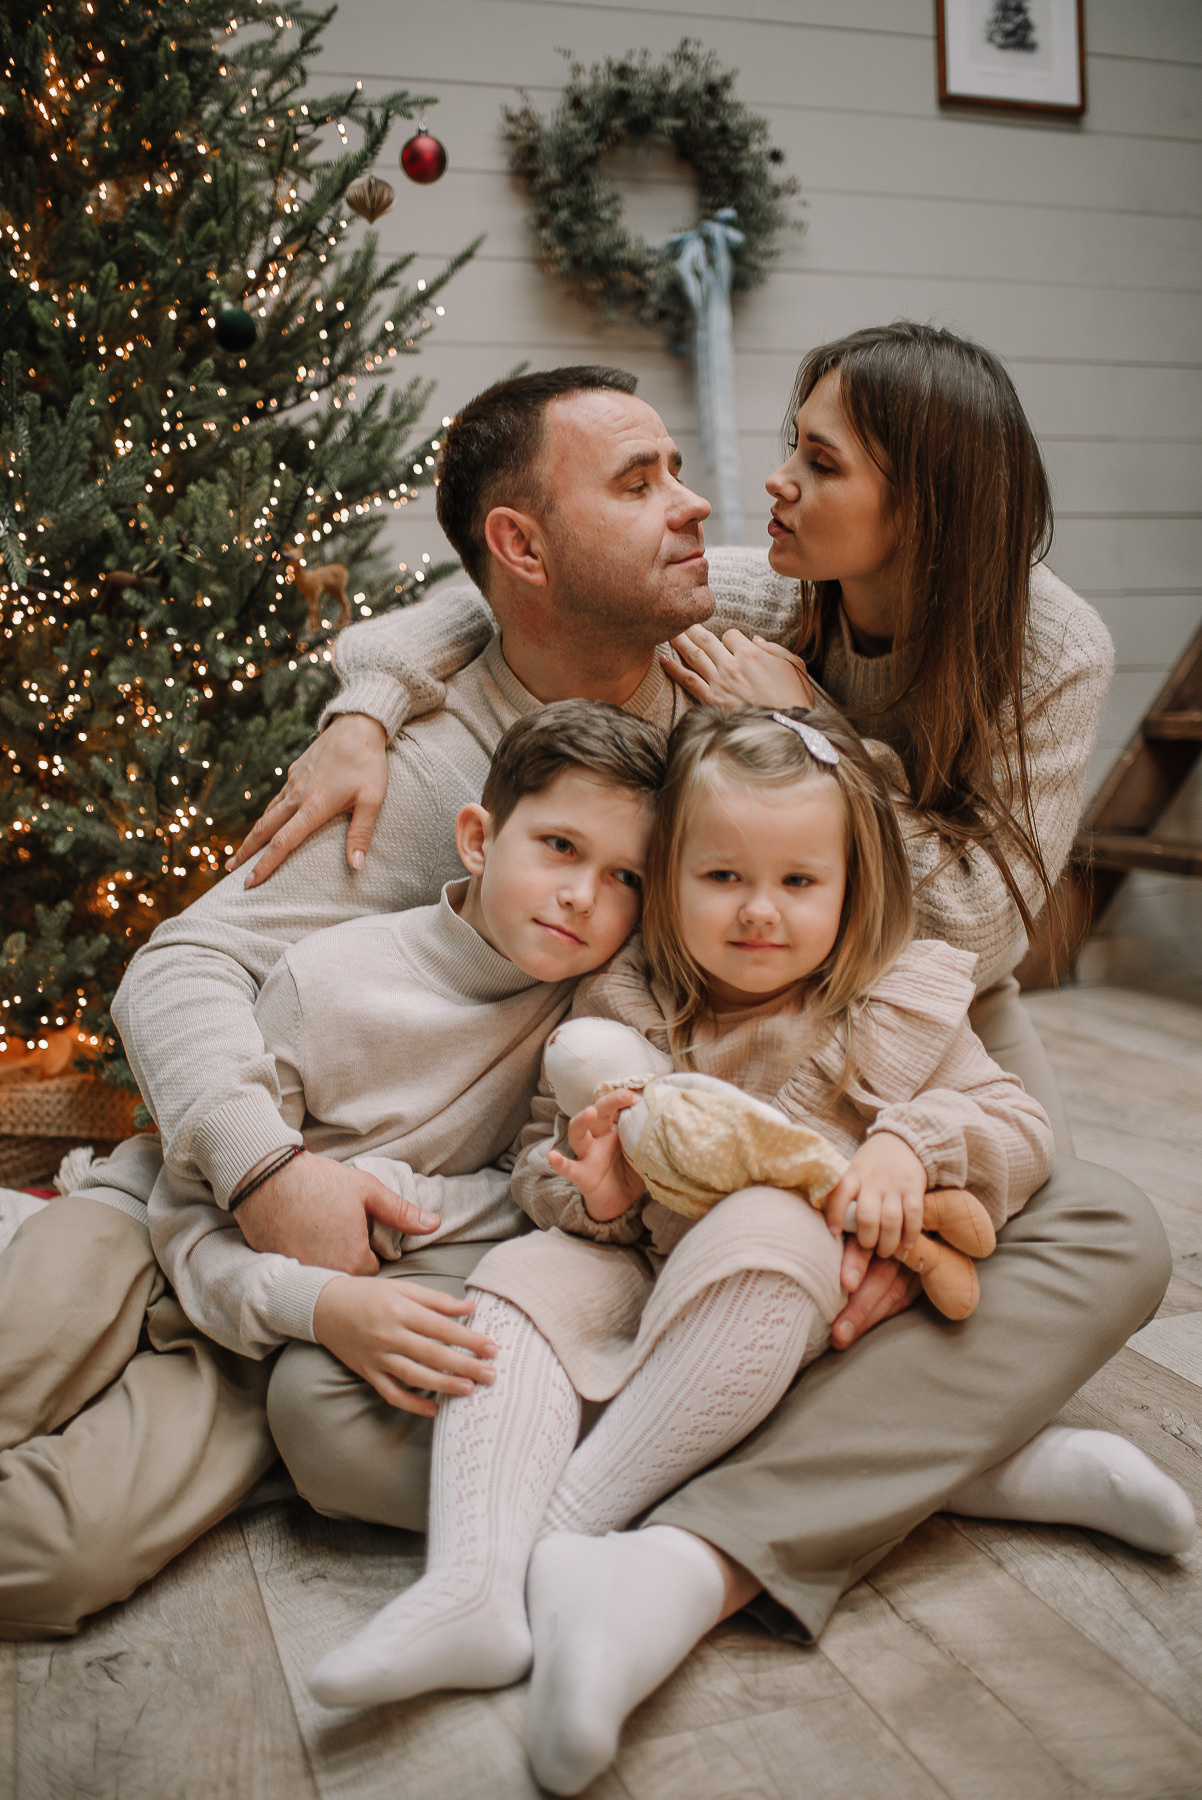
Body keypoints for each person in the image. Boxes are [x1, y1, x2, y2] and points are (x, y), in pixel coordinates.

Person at [0, 349, 1171, 1638]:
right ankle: (939, 1459)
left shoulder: (734, 692)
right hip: (295, 1196)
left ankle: (801, 1474)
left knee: (1084, 1223)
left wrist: (879, 1173)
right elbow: (182, 961)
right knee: (319, 1428)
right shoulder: (454, 773)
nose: (714, 502)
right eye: (640, 480)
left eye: (702, 467)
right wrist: (366, 705)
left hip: (854, 1002)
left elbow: (977, 931)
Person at [304, 705, 1059, 1793]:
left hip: (787, 1299)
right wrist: (594, 1190)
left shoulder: (891, 999)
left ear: (849, 890)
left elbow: (1019, 1127)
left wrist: (907, 1143)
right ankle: (471, 1586)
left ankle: (572, 1536)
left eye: (799, 883)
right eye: (719, 879)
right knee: (514, 1276)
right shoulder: (624, 1004)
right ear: (667, 884)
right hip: (635, 1267)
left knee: (764, 1218)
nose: (758, 913)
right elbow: (533, 1166)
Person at [149, 701, 665, 1450]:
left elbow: (531, 1185)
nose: (583, 896)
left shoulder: (591, 1014)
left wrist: (387, 1197)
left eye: (626, 877)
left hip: (378, 1296)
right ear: (478, 840)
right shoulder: (324, 985)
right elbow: (191, 1212)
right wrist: (315, 1300)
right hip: (237, 1292)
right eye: (559, 846)